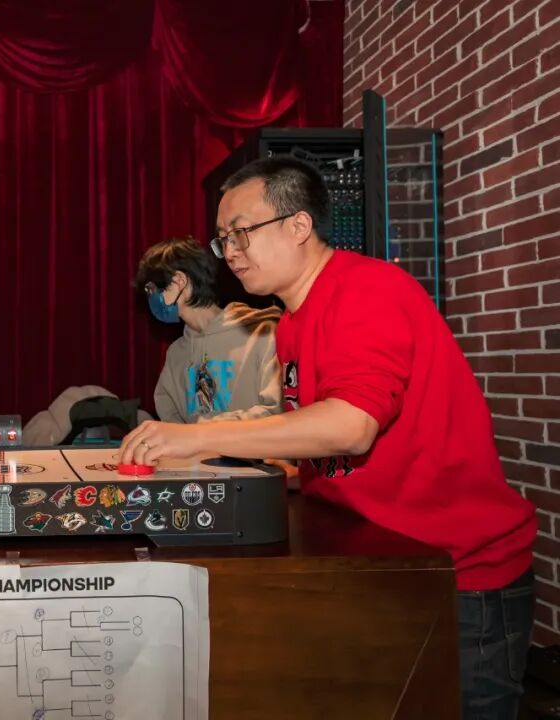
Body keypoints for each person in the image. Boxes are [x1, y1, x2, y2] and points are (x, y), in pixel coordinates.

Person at [120, 157, 537, 719]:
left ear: (299, 225)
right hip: (381, 562)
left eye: (241, 232)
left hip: (460, 577)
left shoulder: (367, 289)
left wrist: (199, 438)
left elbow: (350, 426)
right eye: (224, 239)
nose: (231, 252)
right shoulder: (292, 323)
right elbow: (318, 448)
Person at [135, 237, 281, 424]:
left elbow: (277, 413)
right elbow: (171, 424)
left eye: (152, 290)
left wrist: (205, 432)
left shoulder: (261, 334)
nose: (152, 300)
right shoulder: (176, 354)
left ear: (179, 281)